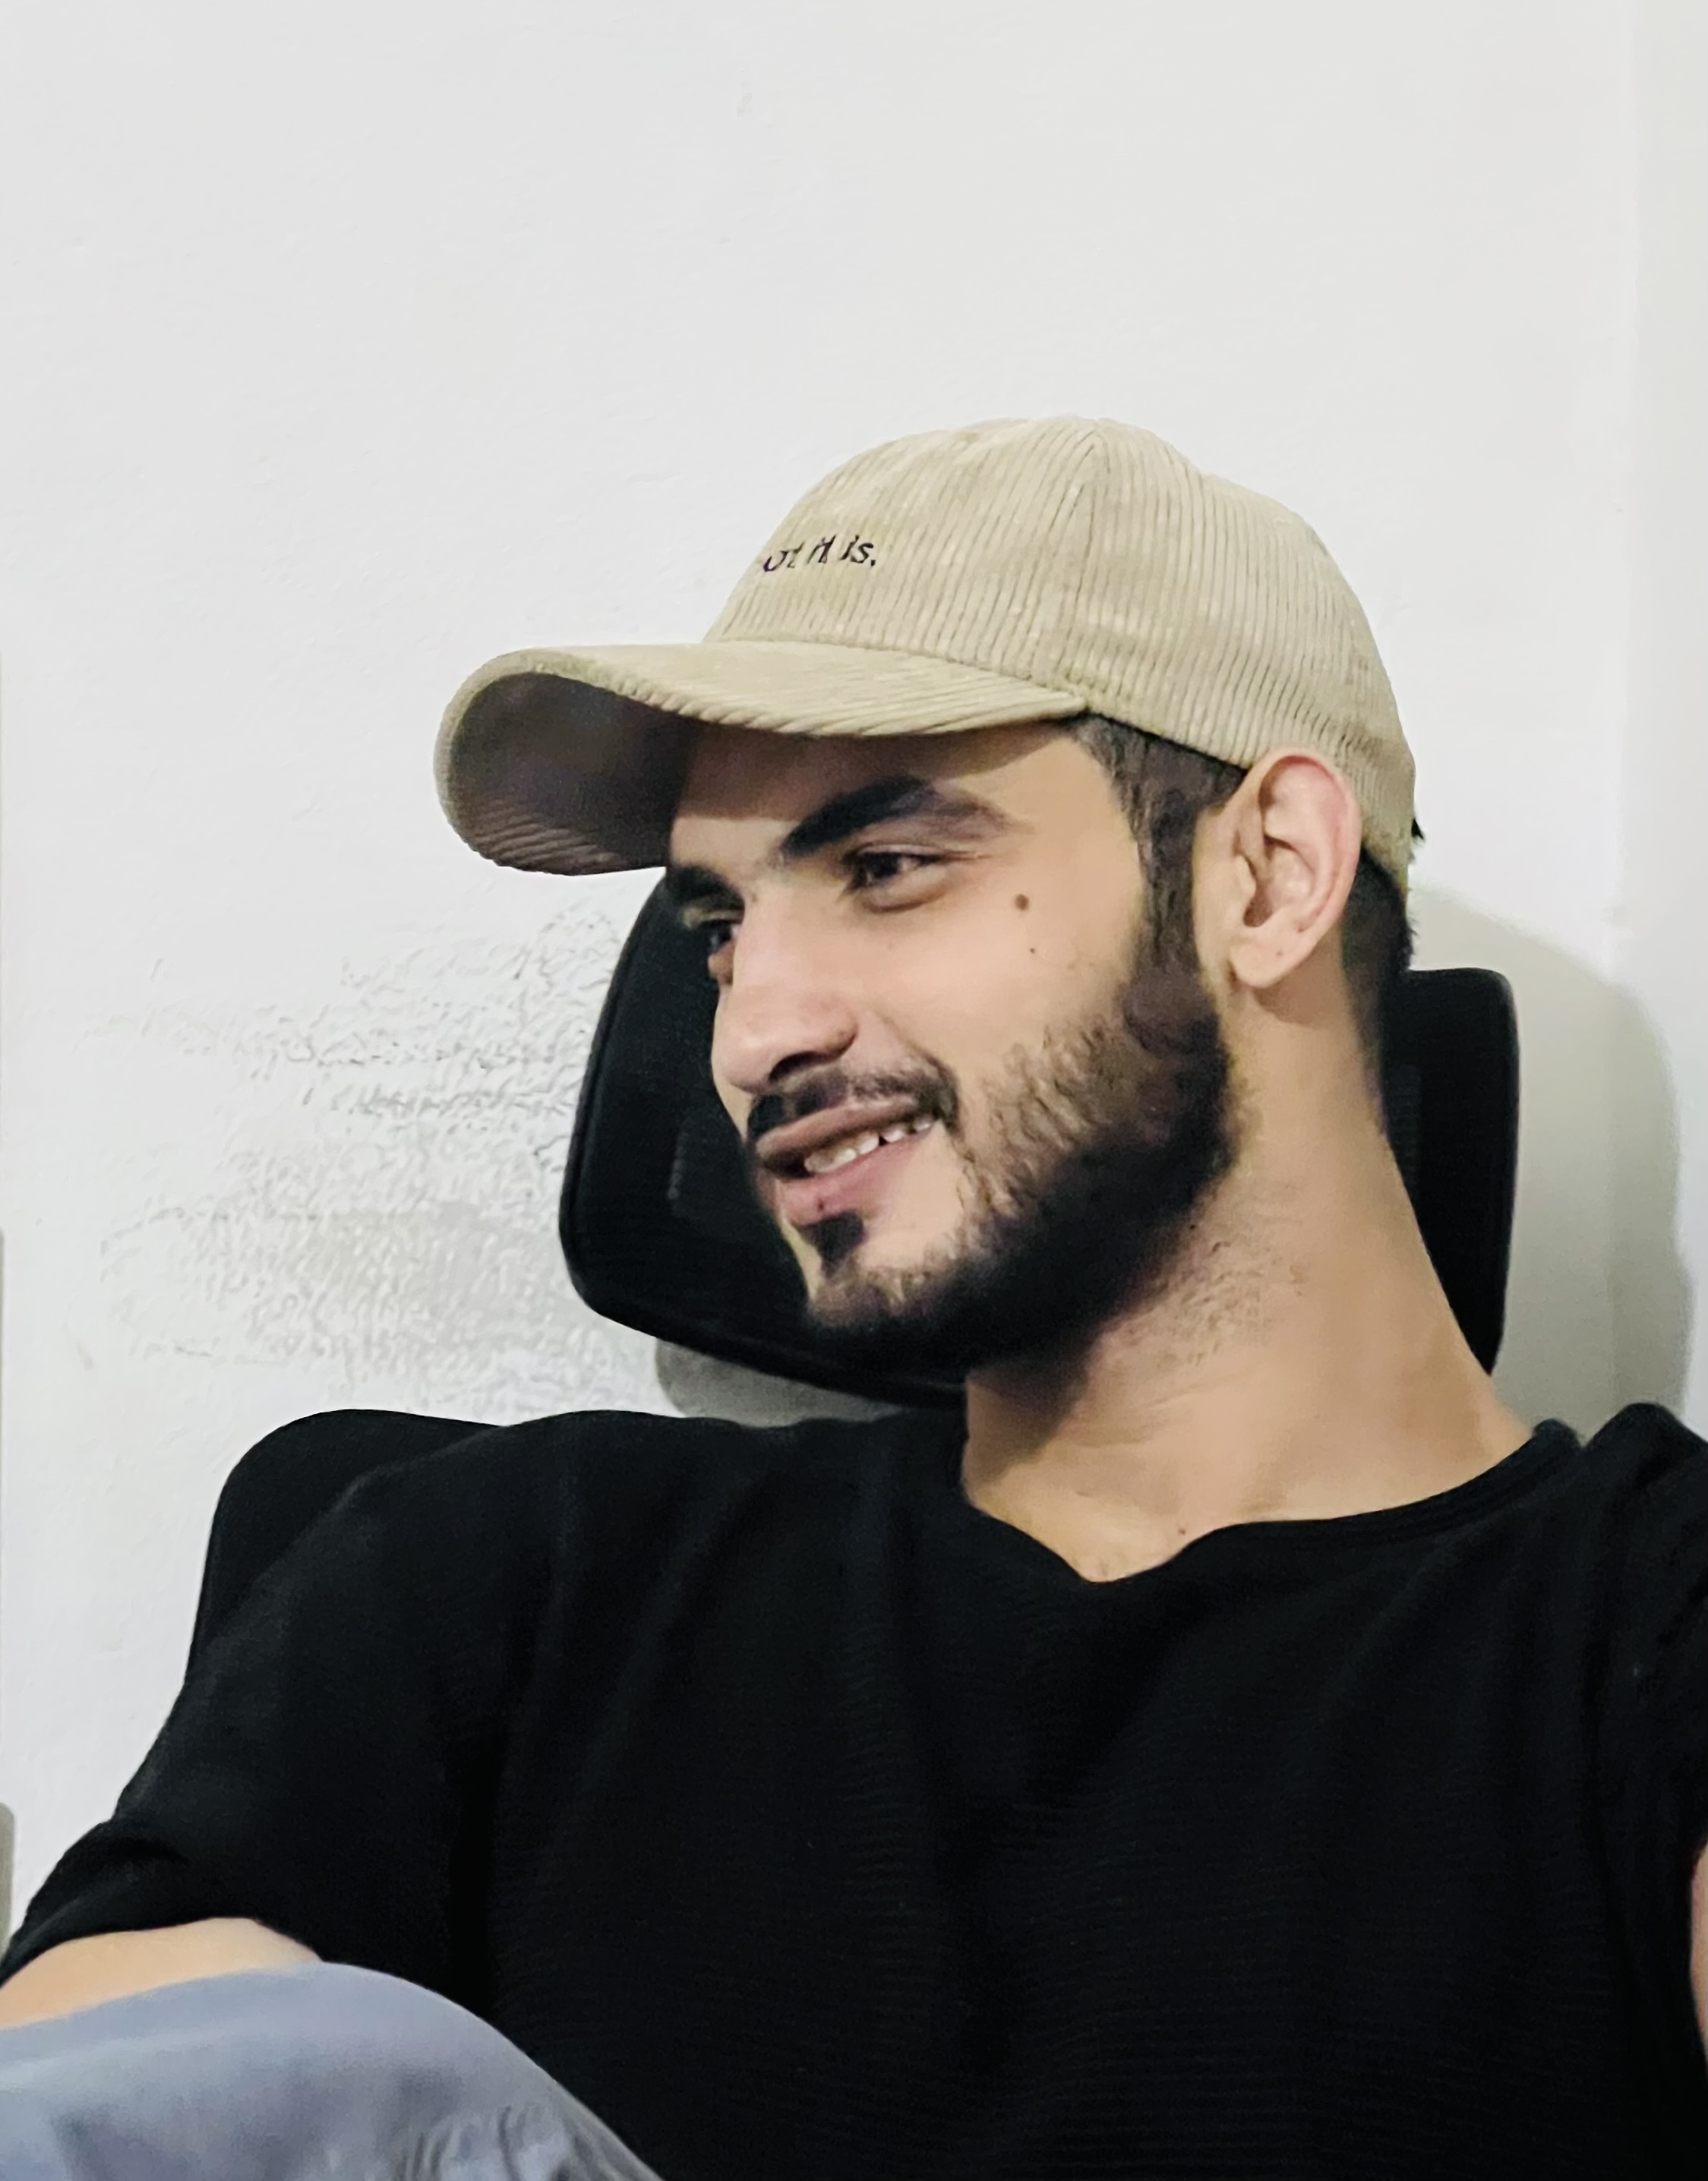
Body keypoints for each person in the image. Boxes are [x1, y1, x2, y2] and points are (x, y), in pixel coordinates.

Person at [1, 417, 1703, 2178]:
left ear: (1266, 873)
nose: (751, 1029)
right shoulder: (502, 1575)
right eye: (717, 925)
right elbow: (89, 2085)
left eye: (886, 867)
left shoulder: (1646, 1638)